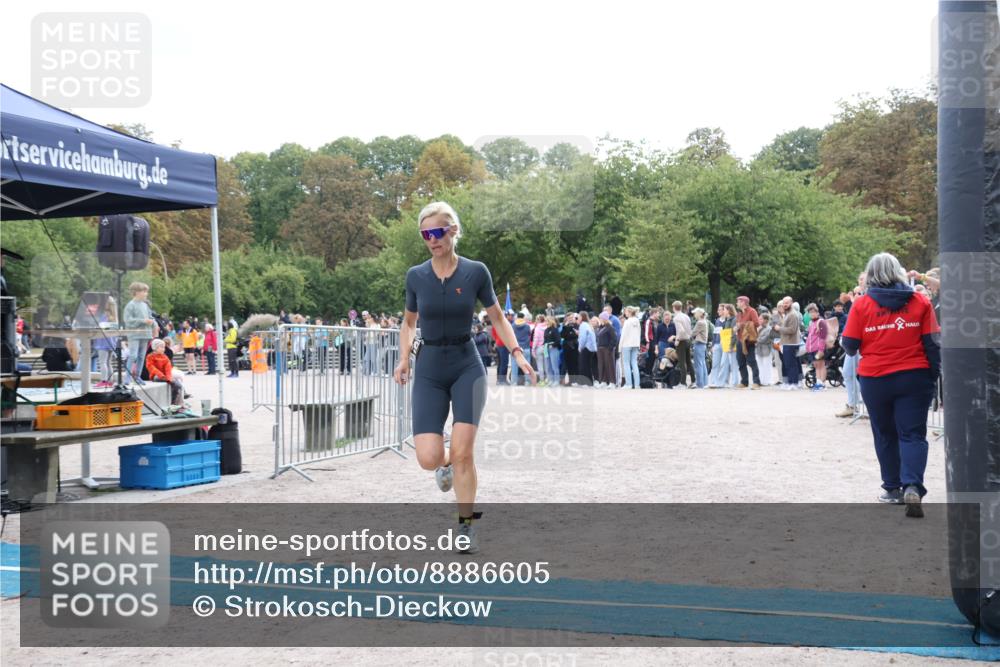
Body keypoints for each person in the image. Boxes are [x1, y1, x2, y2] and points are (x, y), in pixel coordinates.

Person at [394, 201, 535, 554]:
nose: (431, 240)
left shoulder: (475, 272)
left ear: (453, 230)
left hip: (466, 365)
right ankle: (444, 463)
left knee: (463, 452)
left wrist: (517, 352)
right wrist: (404, 359)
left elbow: (499, 317)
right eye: (425, 234)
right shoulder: (416, 275)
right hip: (429, 367)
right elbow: (409, 323)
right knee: (428, 457)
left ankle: (466, 524)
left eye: (437, 232)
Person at [842, 252, 940, 518]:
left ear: (870, 274)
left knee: (885, 433)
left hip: (876, 378)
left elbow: (850, 346)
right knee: (913, 434)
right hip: (914, 375)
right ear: (898, 271)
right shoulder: (920, 301)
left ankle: (892, 488)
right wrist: (933, 376)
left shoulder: (861, 305)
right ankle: (913, 485)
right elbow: (932, 342)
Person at [837, 272, 867, 417]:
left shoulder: (870, 297)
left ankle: (868, 406)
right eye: (859, 279)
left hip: (866, 342)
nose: (861, 281)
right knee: (848, 372)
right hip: (854, 342)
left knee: (866, 375)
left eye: (863, 278)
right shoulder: (857, 299)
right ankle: (852, 404)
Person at [123, 282, 155, 386]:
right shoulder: (130, 305)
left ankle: (138, 377)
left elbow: (150, 317)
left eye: (146, 291)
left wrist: (153, 323)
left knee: (141, 356)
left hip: (145, 334)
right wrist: (143, 321)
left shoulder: (145, 305)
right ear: (136, 292)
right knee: (133, 355)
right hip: (134, 335)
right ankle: (127, 378)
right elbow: (127, 320)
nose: (146, 294)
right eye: (144, 291)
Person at [145, 338, 190, 407]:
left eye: (164, 347)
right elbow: (151, 368)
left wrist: (169, 377)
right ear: (155, 348)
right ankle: (173, 403)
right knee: (168, 381)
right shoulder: (150, 356)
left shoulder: (165, 357)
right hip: (156, 376)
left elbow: (168, 368)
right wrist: (162, 376)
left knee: (178, 385)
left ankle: (174, 402)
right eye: (161, 347)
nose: (164, 349)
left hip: (166, 376)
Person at [735, 296, 762, 389]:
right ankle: (744, 382)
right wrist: (736, 328)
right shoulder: (739, 314)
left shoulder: (752, 311)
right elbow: (738, 325)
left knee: (751, 361)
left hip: (749, 340)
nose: (737, 303)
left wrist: (742, 324)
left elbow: (757, 323)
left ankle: (756, 382)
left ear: (743, 302)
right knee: (740, 361)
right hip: (740, 339)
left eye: (738, 302)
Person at [777, 296, 802, 389]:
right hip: (786, 342)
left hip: (791, 343)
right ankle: (790, 382)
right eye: (783, 303)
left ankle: (794, 383)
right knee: (788, 363)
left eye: (786, 303)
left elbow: (792, 330)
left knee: (791, 364)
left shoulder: (792, 314)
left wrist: (779, 328)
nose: (784, 304)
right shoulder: (787, 314)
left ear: (791, 303)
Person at [804, 303, 829, 391]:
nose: (812, 314)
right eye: (810, 312)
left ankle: (822, 384)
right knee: (816, 366)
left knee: (821, 365)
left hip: (819, 348)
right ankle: (818, 383)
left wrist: (821, 350)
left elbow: (823, 337)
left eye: (814, 312)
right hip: (812, 348)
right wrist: (807, 347)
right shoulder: (811, 322)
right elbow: (810, 336)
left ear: (818, 312)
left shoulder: (821, 322)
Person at [670, 301, 693, 387]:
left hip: (682, 341)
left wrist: (677, 340)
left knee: (682, 362)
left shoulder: (676, 318)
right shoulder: (686, 316)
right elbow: (689, 329)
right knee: (688, 362)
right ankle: (692, 381)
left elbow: (681, 330)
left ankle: (683, 383)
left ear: (673, 308)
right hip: (688, 340)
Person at [619, 306, 642, 389]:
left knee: (626, 364)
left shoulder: (627, 322)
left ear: (628, 312)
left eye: (625, 312)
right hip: (635, 344)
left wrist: (620, 346)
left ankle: (628, 384)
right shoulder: (637, 321)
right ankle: (637, 384)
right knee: (634, 364)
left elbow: (623, 335)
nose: (625, 313)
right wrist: (638, 344)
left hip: (626, 344)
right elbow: (639, 333)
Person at [510, 312, 533, 386]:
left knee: (514, 366)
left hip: (516, 348)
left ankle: (514, 382)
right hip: (526, 347)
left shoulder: (513, 325)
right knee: (526, 365)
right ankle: (527, 381)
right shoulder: (527, 326)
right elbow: (530, 335)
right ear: (523, 317)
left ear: (517, 317)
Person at [596, 313, 617, 388]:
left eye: (600, 318)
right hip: (600, 349)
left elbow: (614, 338)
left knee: (610, 365)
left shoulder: (610, 327)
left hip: (607, 349)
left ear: (604, 319)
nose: (599, 319)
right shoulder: (601, 327)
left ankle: (612, 382)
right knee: (602, 365)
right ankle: (604, 381)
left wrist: (610, 348)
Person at [755, 313, 776, 387]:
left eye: (761, 319)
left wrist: (755, 339)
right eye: (759, 318)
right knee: (759, 365)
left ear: (766, 320)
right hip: (758, 349)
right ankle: (761, 380)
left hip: (766, 349)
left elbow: (764, 339)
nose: (759, 320)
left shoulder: (769, 329)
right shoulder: (759, 328)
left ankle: (768, 381)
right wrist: (756, 332)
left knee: (767, 365)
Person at [691, 307, 709, 388]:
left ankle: (699, 384)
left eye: (695, 313)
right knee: (702, 364)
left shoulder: (700, 322)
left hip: (699, 344)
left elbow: (693, 333)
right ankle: (704, 383)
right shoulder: (704, 321)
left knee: (698, 365)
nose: (694, 315)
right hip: (703, 345)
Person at [577, 311, 596, 386]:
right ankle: (589, 382)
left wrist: (580, 347)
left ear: (582, 317)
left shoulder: (583, 325)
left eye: (578, 317)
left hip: (586, 347)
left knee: (583, 365)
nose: (577, 318)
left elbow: (583, 338)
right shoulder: (588, 324)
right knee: (587, 365)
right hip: (591, 348)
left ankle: (585, 382)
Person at [560, 313, 579, 385]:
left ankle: (576, 380)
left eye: (571, 318)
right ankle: (571, 381)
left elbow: (574, 335)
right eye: (569, 318)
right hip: (566, 347)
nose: (570, 319)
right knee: (569, 365)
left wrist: (569, 334)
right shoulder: (565, 326)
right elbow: (562, 335)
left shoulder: (576, 325)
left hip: (574, 346)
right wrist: (565, 326)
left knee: (575, 364)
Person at [543, 316, 562, 385]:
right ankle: (550, 380)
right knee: (548, 366)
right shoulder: (546, 330)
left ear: (550, 321)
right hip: (546, 348)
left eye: (547, 321)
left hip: (553, 349)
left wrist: (553, 345)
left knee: (554, 366)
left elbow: (558, 340)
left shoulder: (555, 329)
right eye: (545, 321)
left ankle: (556, 380)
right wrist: (544, 345)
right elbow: (545, 340)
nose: (546, 322)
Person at [531, 314, 549, 385]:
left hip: (538, 347)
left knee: (540, 365)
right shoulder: (547, 327)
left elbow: (536, 339)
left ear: (538, 320)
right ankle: (548, 380)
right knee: (546, 365)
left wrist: (533, 349)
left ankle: (542, 381)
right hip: (545, 347)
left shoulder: (537, 328)